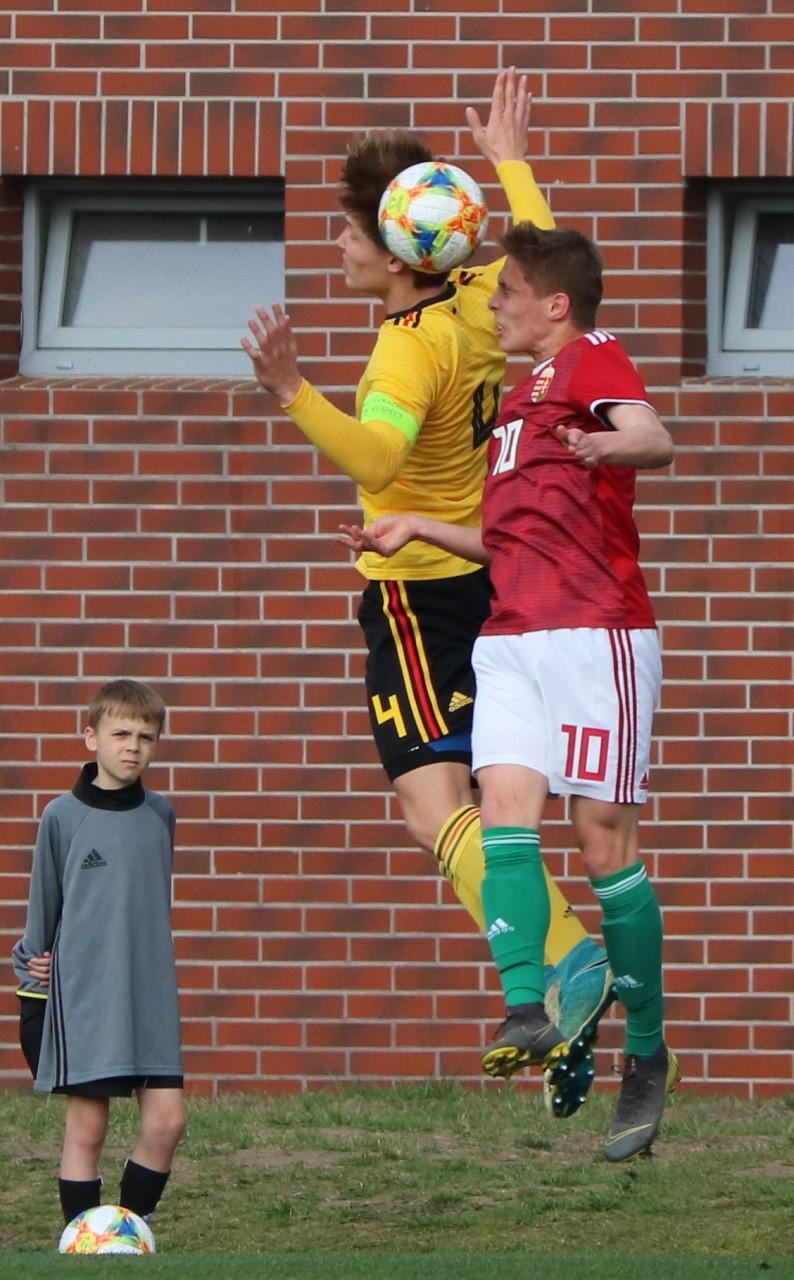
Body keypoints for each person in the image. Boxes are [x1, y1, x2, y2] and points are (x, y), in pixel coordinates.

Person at [241, 72, 614, 1112]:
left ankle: (566, 961)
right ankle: (568, 995)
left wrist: (291, 390)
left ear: (400, 246)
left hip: (418, 591)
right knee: (473, 806)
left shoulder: (405, 352)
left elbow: (376, 457)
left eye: (350, 232)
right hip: (491, 573)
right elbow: (541, 258)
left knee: (428, 804)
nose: (339, 246)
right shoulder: (481, 297)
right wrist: (512, 163)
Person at [340, 222, 680, 1160]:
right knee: (502, 813)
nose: (491, 304)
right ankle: (529, 1004)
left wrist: (614, 447)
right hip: (509, 637)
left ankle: (647, 1054)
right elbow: (505, 542)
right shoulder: (517, 401)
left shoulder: (593, 356)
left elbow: (652, 436)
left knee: (601, 842)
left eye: (507, 293)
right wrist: (416, 524)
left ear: (554, 305)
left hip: (593, 632)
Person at [11, 679, 186, 1225]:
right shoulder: (62, 816)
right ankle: (82, 1245)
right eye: (120, 734)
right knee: (87, 1129)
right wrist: (32, 985)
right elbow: (42, 912)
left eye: (145, 737)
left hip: (150, 997)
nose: (133, 747)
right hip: (87, 997)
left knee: (167, 1123)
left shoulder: (161, 815)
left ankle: (125, 1229)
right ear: (91, 737)